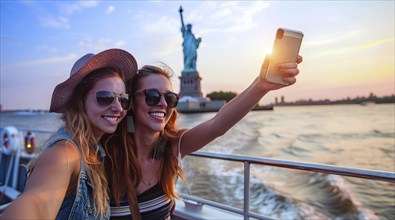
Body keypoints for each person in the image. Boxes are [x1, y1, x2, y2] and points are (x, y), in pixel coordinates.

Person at [105, 54, 303, 219]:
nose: (163, 104)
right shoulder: (104, 153)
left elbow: (216, 125)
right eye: (152, 96)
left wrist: (261, 85)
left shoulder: (172, 147)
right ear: (130, 102)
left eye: (170, 97)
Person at [0, 48, 138, 219]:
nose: (118, 108)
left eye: (123, 99)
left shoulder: (94, 150)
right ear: (79, 101)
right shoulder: (65, 153)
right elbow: (36, 203)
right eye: (105, 97)